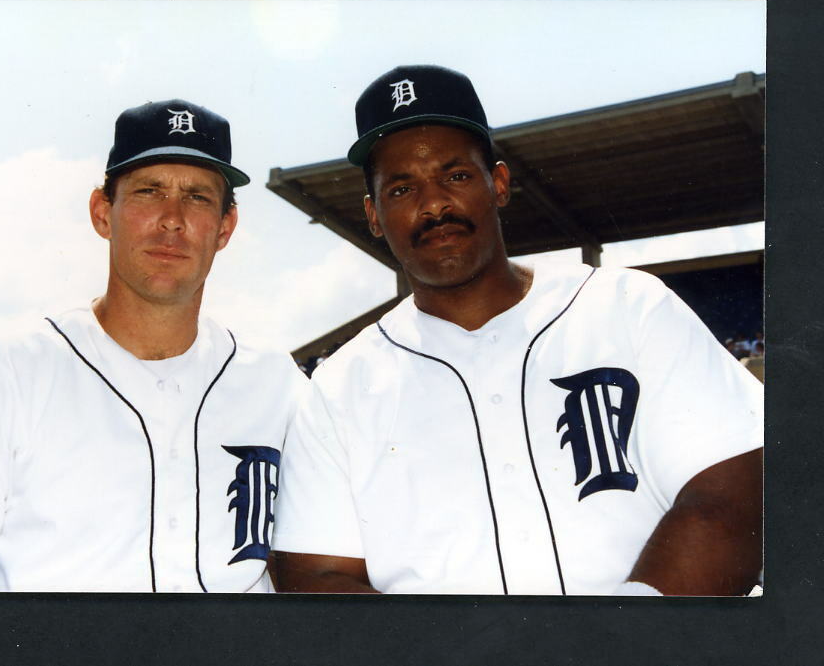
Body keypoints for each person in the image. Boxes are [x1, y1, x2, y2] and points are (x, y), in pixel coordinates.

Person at [271, 65, 764, 596]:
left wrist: (622, 642)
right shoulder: (340, 385)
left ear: (498, 184)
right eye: (402, 188)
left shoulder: (627, 307)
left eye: (456, 176)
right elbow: (316, 572)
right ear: (373, 214)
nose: (434, 204)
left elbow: (734, 492)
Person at [0, 99, 304, 592]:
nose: (172, 218)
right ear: (103, 212)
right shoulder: (5, 370)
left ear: (225, 227)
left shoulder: (277, 381)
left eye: (198, 197)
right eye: (148, 191)